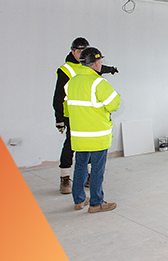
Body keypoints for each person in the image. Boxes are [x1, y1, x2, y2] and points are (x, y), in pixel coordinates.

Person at [53, 37, 118, 194]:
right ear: (72, 51)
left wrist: (111, 69)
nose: (82, 54)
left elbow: (98, 68)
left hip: (89, 114)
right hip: (74, 114)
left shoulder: (88, 67)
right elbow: (58, 96)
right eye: (79, 51)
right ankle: (65, 177)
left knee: (86, 150)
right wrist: (60, 118)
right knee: (71, 145)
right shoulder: (66, 69)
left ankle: (83, 186)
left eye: (84, 51)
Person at [66, 47, 120, 213]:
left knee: (80, 167)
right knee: (97, 169)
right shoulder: (98, 82)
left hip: (79, 134)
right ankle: (96, 203)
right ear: (96, 63)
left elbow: (67, 108)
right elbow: (114, 103)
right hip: (97, 135)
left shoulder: (72, 82)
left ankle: (79, 200)